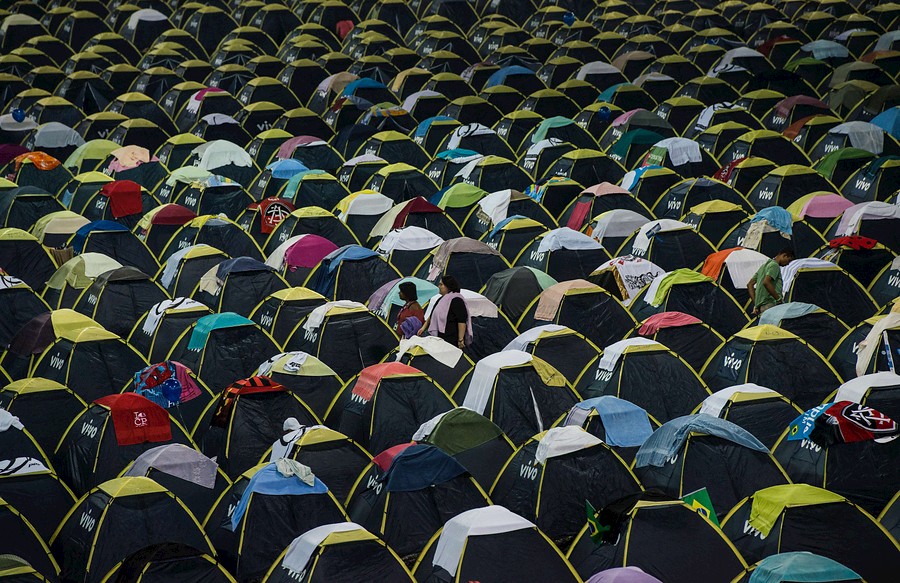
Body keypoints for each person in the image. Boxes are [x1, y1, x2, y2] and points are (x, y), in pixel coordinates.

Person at [418, 275, 472, 349]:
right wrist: (423, 328)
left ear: (448, 286)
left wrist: (460, 339)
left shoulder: (456, 300)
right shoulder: (440, 299)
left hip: (451, 338)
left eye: (441, 284)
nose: (439, 286)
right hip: (439, 338)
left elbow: (461, 320)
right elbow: (432, 315)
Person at [747, 247, 795, 315]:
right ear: (784, 255)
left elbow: (750, 284)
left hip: (762, 308)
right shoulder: (774, 265)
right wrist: (778, 299)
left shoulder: (763, 266)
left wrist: (756, 304)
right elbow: (766, 282)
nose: (787, 264)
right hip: (770, 305)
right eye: (789, 260)